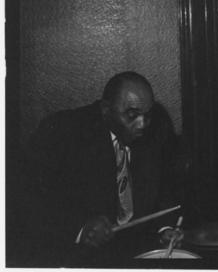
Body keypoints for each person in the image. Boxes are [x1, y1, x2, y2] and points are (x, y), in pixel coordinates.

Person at [21, 71, 181, 266]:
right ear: (106, 109)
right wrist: (81, 229)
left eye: (147, 115)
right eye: (132, 115)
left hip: (137, 249)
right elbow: (32, 199)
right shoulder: (64, 133)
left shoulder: (155, 129)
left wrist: (165, 228)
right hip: (81, 256)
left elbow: (163, 189)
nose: (142, 124)